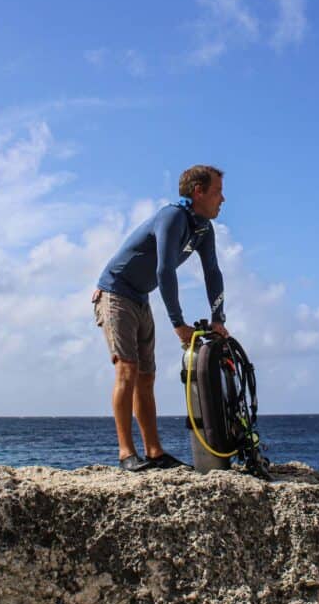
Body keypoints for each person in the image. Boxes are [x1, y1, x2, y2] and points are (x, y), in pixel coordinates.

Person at [93, 165, 230, 471]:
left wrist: (218, 318)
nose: (223, 199)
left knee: (147, 377)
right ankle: (127, 454)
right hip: (115, 293)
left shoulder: (203, 229)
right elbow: (164, 270)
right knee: (127, 369)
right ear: (198, 191)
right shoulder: (172, 217)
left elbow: (212, 272)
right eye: (218, 191)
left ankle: (154, 452)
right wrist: (178, 323)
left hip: (140, 297)